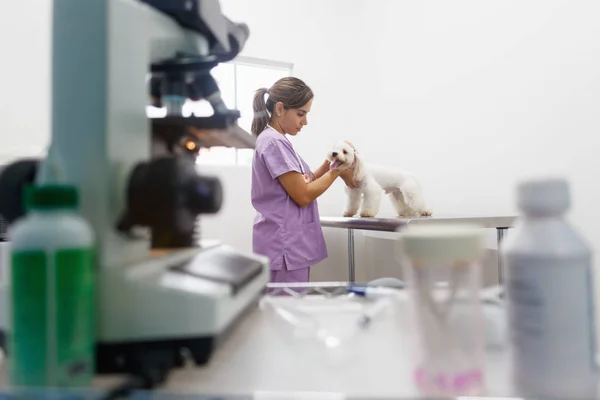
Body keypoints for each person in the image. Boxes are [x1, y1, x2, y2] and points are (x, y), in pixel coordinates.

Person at [250, 77, 356, 283]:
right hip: (284, 246)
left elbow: (308, 181)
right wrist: (338, 173)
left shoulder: (280, 141)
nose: (305, 122)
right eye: (301, 114)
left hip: (289, 245)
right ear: (280, 108)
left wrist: (333, 162)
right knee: (285, 310)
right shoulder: (273, 143)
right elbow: (304, 195)